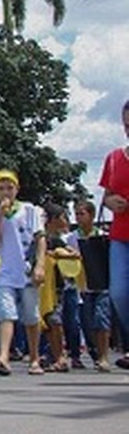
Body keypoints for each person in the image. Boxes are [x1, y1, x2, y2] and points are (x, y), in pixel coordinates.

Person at [0, 169, 46, 376]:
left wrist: (40, 265)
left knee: (31, 316)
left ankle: (35, 357)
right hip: (5, 271)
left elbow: (40, 238)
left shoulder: (29, 210)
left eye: (9, 188)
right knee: (6, 314)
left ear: (17, 188)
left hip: (26, 270)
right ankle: (3, 356)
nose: (6, 192)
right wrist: (1, 213)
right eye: (1, 188)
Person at [99, 99, 129, 364]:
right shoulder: (114, 157)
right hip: (120, 234)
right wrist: (111, 202)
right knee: (118, 292)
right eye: (127, 126)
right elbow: (106, 195)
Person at [43, 203, 82, 372]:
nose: (65, 220)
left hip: (57, 287)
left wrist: (60, 254)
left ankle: (60, 356)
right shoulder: (41, 238)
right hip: (44, 286)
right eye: (61, 217)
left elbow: (75, 254)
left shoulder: (56, 240)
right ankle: (55, 354)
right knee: (48, 322)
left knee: (55, 320)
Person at [75, 199, 112, 371]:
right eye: (76, 214)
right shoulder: (72, 238)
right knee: (88, 322)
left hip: (102, 284)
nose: (79, 217)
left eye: (82, 214)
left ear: (91, 215)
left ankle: (104, 356)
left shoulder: (103, 237)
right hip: (83, 285)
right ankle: (96, 352)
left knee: (101, 319)